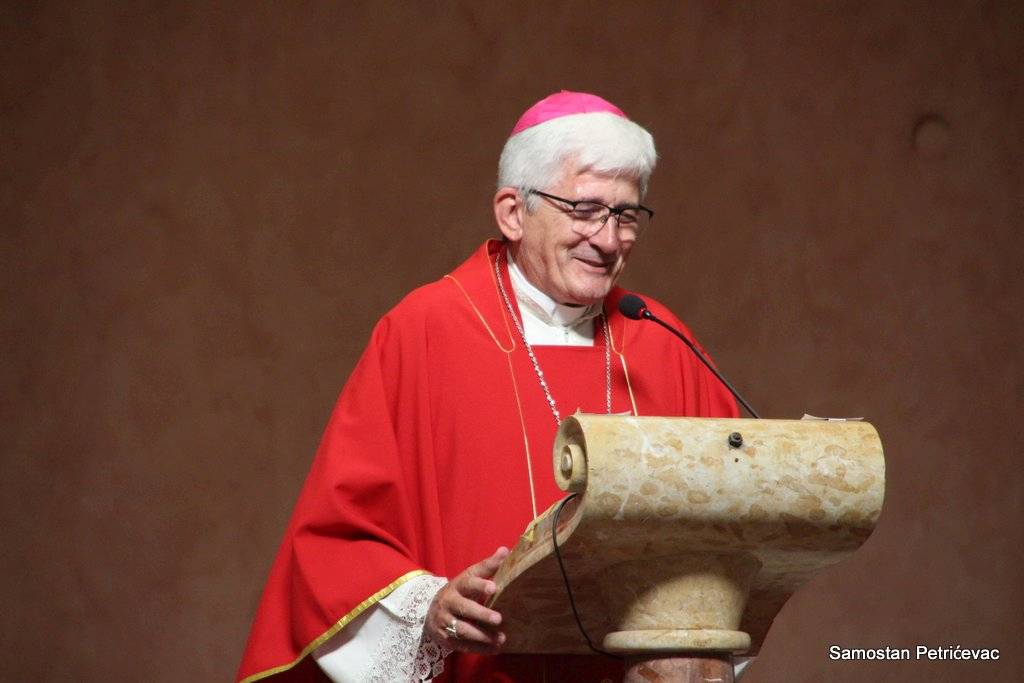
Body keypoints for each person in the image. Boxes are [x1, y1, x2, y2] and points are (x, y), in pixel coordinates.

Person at [236, 91, 739, 683]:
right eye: (585, 210)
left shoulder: (662, 340)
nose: (608, 240)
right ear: (513, 213)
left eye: (626, 215)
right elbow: (337, 540)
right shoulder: (425, 331)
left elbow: (737, 517)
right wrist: (429, 607)